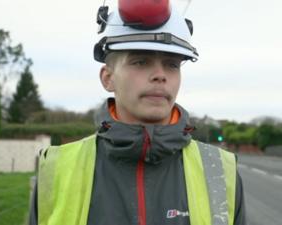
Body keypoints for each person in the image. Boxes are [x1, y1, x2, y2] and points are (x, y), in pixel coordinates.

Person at [29, 1, 246, 224]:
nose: (160, 75)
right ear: (107, 78)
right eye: (141, 62)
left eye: (172, 65)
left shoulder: (219, 171)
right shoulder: (57, 169)